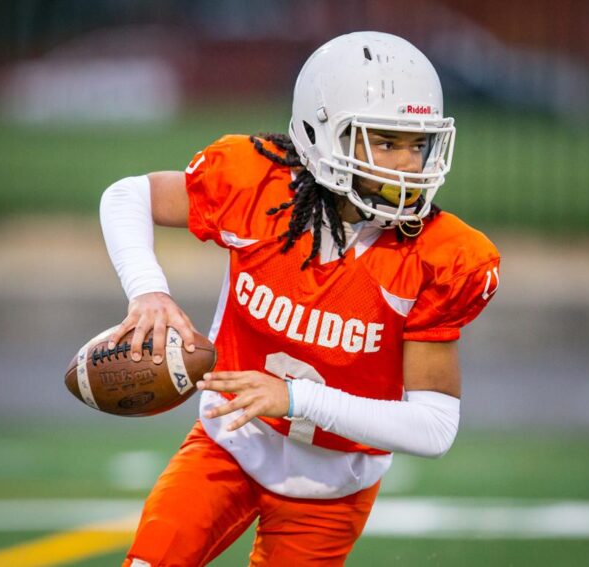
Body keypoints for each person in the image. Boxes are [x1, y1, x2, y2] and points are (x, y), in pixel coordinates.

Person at [100, 31, 500, 567]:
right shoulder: (259, 187)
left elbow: (434, 428)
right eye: (385, 142)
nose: (408, 165)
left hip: (331, 490)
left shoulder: (439, 255)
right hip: (229, 445)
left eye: (418, 144)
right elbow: (127, 195)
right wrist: (147, 291)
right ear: (320, 134)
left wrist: (295, 399)